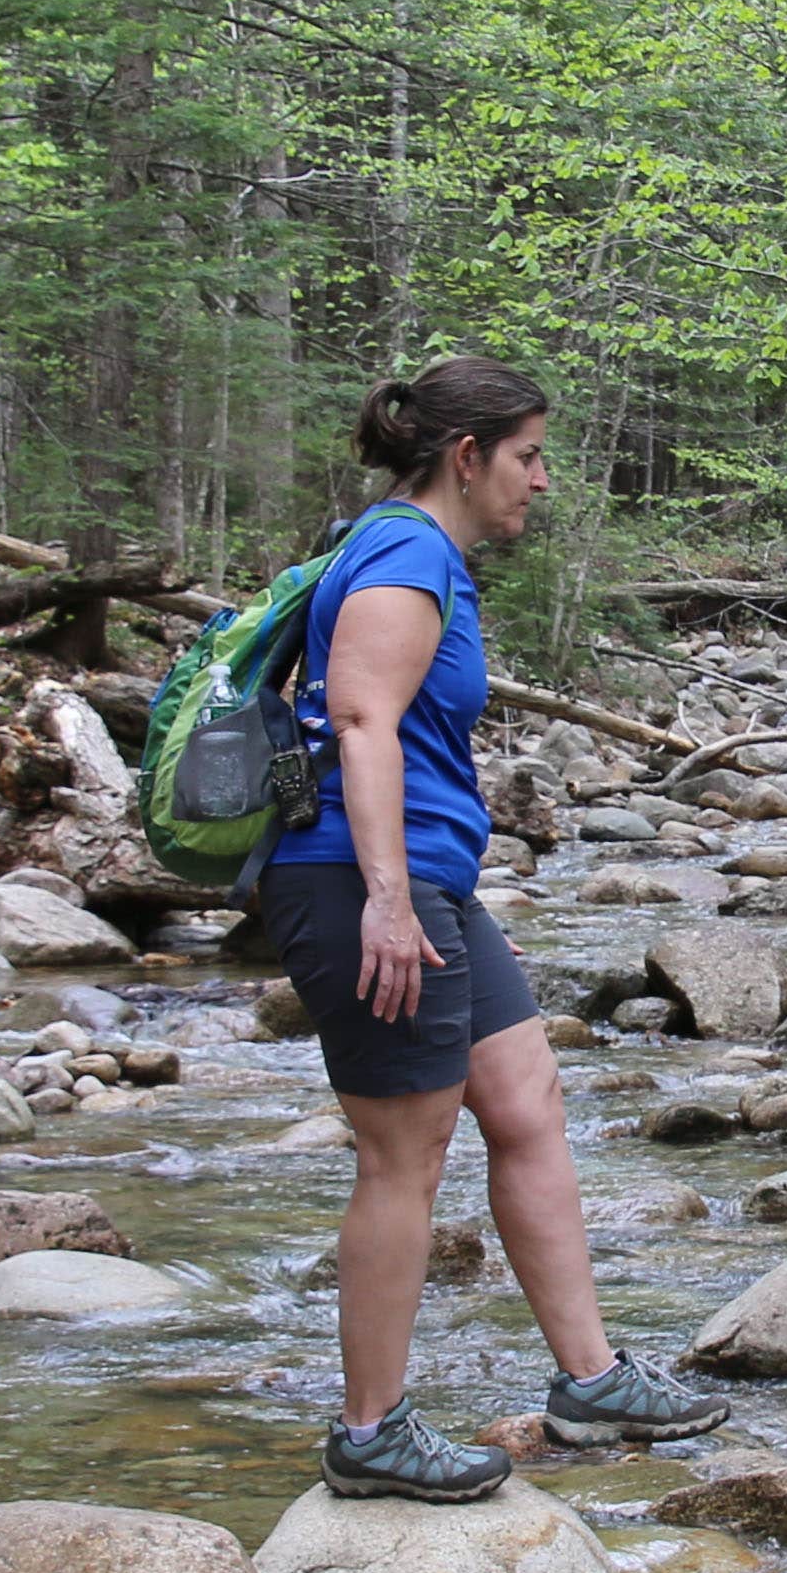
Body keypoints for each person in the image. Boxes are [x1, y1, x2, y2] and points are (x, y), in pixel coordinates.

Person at [263, 357, 725, 1500]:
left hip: (423, 882)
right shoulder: (407, 553)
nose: (543, 480)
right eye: (528, 456)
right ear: (466, 459)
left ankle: (591, 1379)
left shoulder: (422, 554)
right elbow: (362, 721)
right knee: (403, 1157)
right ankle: (369, 1432)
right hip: (363, 883)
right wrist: (386, 899)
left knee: (525, 1101)